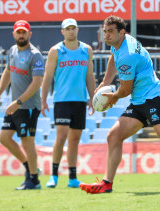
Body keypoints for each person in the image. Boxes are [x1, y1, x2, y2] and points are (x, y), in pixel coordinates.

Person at [79, 15, 160, 194]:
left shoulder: (127, 55)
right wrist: (105, 82)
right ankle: (107, 183)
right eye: (105, 32)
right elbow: (113, 56)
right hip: (140, 100)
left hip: (153, 97)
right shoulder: (121, 44)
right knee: (114, 136)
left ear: (121, 32)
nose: (107, 35)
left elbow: (125, 90)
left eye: (111, 32)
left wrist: (112, 98)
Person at [41, 18, 96, 188]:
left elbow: (89, 76)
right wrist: (43, 100)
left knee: (74, 140)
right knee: (61, 137)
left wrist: (93, 98)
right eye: (68, 28)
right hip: (62, 101)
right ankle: (54, 176)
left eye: (73, 28)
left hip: (80, 100)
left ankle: (72, 178)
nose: (71, 31)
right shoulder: (56, 51)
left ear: (78, 30)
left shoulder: (86, 50)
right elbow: (47, 77)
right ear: (62, 32)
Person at [0, 20, 44, 190]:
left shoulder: (35, 55)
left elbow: (37, 82)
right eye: (18, 32)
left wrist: (19, 102)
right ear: (14, 34)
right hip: (15, 105)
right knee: (4, 138)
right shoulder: (12, 51)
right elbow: (7, 72)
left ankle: (34, 180)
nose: (21, 35)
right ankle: (30, 168)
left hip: (28, 106)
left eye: (24, 32)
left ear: (30, 34)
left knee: (27, 141)